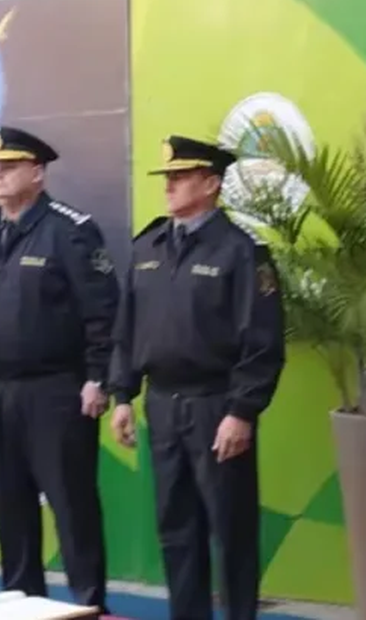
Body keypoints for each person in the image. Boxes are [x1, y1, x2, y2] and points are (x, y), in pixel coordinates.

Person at [108, 136, 285, 620]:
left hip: (216, 405)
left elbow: (262, 341)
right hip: (163, 405)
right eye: (167, 177)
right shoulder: (148, 245)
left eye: (181, 177)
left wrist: (241, 412)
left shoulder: (241, 252)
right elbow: (127, 331)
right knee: (176, 527)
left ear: (211, 184)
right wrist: (122, 396)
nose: (169, 186)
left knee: (231, 528)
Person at [0, 127, 118, 610]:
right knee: (9, 504)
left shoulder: (70, 230)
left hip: (56, 390)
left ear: (38, 172)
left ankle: (88, 604)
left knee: (71, 504)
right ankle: (22, 603)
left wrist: (97, 376)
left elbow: (102, 311)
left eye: (9, 167)